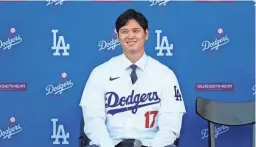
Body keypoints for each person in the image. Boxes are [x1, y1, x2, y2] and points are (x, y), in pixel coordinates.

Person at [79, 9, 186, 147]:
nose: (130, 36)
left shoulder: (165, 74)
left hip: (152, 144)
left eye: (136, 31)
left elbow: (170, 125)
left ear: (146, 34)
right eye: (124, 31)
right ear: (117, 36)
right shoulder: (100, 73)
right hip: (111, 143)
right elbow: (93, 121)